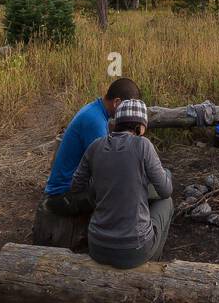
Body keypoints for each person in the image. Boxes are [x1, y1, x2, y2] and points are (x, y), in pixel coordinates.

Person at [69, 99, 175, 270]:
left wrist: (100, 188)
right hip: (135, 250)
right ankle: (153, 261)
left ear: (116, 124)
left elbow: (76, 187)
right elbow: (166, 190)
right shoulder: (143, 145)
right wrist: (167, 175)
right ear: (140, 127)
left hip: (97, 246)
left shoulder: (95, 146)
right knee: (166, 202)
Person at [32, 78, 140, 242]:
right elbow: (106, 171)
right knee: (123, 189)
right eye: (127, 108)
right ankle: (114, 238)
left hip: (68, 187)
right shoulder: (95, 122)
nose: (129, 115)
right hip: (63, 195)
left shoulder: (95, 110)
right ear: (117, 102)